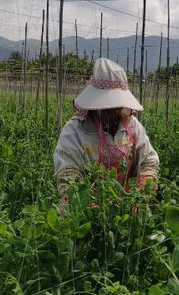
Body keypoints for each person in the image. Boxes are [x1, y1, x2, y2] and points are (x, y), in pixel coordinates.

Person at [54, 58, 160, 207]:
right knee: (73, 220)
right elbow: (67, 171)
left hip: (128, 202)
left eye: (115, 105)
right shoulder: (75, 130)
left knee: (141, 223)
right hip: (84, 204)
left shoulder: (132, 126)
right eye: (106, 105)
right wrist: (83, 201)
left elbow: (149, 160)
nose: (111, 110)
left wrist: (141, 192)